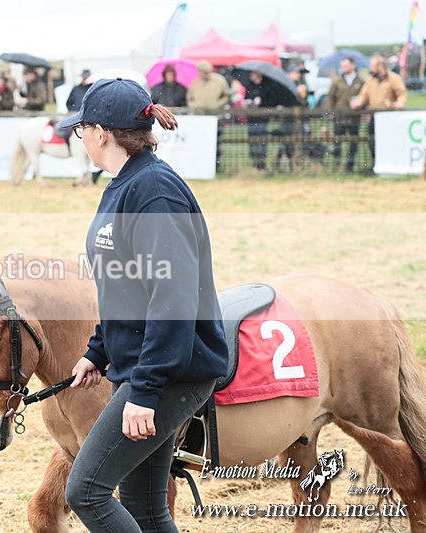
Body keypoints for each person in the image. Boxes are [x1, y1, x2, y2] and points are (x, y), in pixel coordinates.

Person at [57, 77, 228, 532]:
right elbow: (123, 283)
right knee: (144, 509)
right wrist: (99, 350)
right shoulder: (123, 183)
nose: (81, 139)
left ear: (101, 134)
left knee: (86, 491)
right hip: (144, 367)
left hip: (170, 372)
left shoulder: (154, 191)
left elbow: (171, 298)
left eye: (81, 130)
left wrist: (146, 392)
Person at [351, 54, 407, 172]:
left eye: (372, 66)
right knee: (372, 141)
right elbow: (363, 95)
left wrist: (400, 102)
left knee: (390, 141)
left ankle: (392, 165)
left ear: (380, 66)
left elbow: (401, 93)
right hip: (374, 117)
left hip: (389, 117)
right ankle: (377, 164)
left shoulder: (394, 78)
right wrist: (358, 103)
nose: (370, 69)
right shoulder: (370, 81)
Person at [327, 57, 365, 173]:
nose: (345, 69)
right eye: (343, 66)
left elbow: (364, 97)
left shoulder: (361, 81)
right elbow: (330, 98)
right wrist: (331, 112)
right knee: (337, 142)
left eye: (347, 66)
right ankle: (337, 166)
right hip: (340, 117)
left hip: (354, 117)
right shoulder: (337, 81)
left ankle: (350, 167)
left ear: (353, 65)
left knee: (353, 143)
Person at [245, 70, 286, 172]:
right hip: (251, 118)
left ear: (258, 74)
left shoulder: (267, 86)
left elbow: (272, 102)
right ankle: (255, 164)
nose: (251, 76)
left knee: (262, 142)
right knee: (252, 142)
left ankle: (262, 165)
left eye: (253, 73)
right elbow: (246, 98)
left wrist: (261, 100)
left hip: (263, 119)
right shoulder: (250, 86)